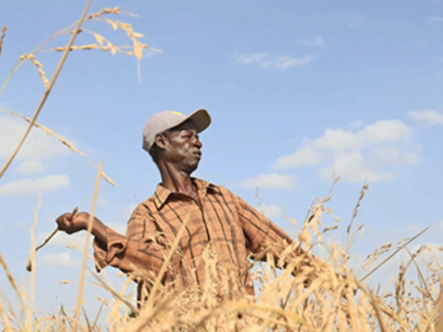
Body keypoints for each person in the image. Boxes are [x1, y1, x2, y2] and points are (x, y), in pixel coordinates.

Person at [55, 109, 310, 302]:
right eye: (188, 136)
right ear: (162, 142)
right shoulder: (148, 214)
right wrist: (94, 225)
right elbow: (153, 267)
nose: (198, 143)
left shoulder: (223, 198)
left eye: (198, 137)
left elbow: (278, 245)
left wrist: (330, 279)